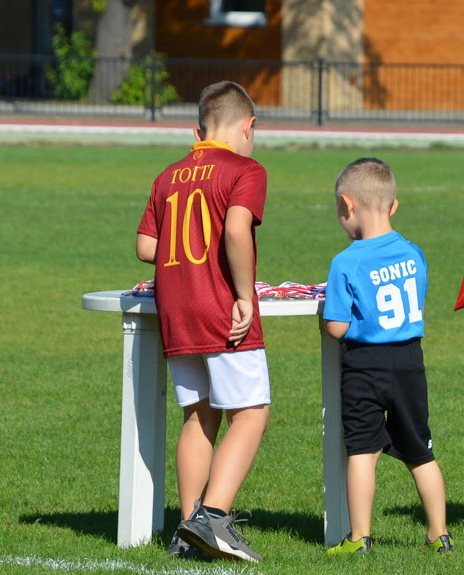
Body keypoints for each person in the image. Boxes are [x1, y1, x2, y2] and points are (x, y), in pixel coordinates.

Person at [135, 81, 269, 563]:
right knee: (251, 413)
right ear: (248, 127)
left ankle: (186, 527)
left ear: (198, 130)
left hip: (176, 309)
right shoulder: (246, 168)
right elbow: (236, 227)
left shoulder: (168, 175)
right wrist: (243, 296)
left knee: (199, 415)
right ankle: (212, 517)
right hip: (218, 308)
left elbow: (147, 247)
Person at [322, 157, 454, 554]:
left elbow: (336, 328)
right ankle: (438, 534)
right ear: (393, 206)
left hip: (365, 365)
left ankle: (359, 537)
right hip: (411, 362)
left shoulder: (346, 261)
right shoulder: (414, 253)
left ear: (347, 205)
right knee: (421, 452)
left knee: (362, 451)